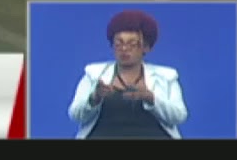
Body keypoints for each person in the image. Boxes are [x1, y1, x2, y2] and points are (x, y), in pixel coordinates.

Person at [67, 9, 189, 139]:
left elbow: (179, 116)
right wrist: (94, 98)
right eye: (119, 43)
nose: (124, 49)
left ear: (146, 47)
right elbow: (75, 115)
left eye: (132, 44)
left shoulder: (166, 77)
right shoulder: (94, 75)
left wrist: (151, 98)